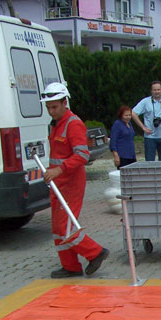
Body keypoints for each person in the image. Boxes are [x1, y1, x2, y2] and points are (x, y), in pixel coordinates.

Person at [40, 82, 109, 279]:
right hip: (58, 181)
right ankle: (70, 266)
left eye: (54, 107)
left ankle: (95, 252)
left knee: (65, 226)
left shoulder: (73, 124)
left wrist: (58, 170)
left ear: (65, 103)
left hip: (70, 182)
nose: (51, 111)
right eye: (48, 107)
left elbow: (82, 156)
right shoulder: (55, 124)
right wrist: (53, 171)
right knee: (57, 228)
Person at [131, 80, 161, 161]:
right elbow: (133, 113)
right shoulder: (145, 102)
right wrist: (143, 127)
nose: (156, 92)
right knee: (150, 163)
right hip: (150, 137)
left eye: (158, 89)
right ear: (151, 91)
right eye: (154, 90)